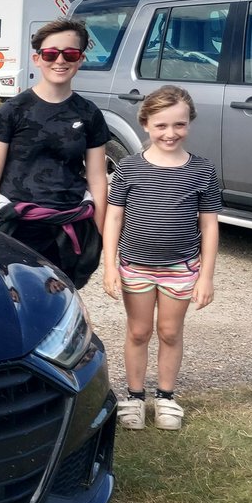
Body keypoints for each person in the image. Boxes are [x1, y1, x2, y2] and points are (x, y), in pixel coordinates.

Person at [102, 86, 220, 431]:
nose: (171, 133)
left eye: (179, 125)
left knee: (170, 331)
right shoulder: (129, 167)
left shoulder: (201, 170)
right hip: (135, 267)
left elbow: (209, 226)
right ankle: (135, 397)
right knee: (138, 331)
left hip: (181, 269)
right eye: (162, 125)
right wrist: (110, 265)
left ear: (189, 124)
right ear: (146, 124)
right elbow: (114, 218)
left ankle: (166, 396)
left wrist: (207, 276)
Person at [0, 18, 109, 289]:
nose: (60, 60)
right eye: (51, 53)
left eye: (70, 53)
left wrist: (98, 233)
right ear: (37, 59)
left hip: (71, 226)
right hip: (18, 225)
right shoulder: (13, 110)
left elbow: (98, 179)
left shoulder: (89, 113)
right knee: (17, 298)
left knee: (64, 299)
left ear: (81, 59)